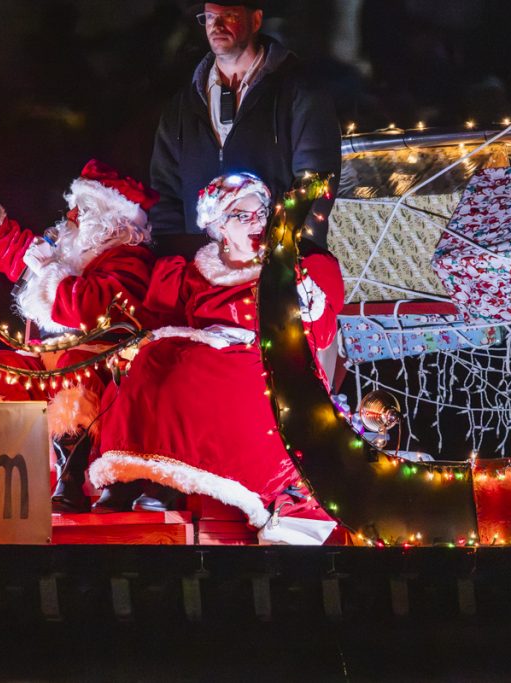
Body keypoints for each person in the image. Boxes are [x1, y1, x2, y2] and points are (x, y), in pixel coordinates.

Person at [89, 172, 345, 544]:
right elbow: (159, 325)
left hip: (265, 369)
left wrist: (303, 291)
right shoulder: (190, 273)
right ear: (220, 225)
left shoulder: (295, 269)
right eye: (243, 216)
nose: (257, 223)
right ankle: (145, 477)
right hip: (201, 356)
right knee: (150, 360)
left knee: (215, 368)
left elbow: (320, 336)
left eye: (262, 213)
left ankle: (197, 481)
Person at [0, 153, 158, 512]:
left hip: (101, 371)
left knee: (75, 365)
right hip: (47, 365)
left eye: (81, 210)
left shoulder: (130, 261)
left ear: (111, 221)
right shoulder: (68, 251)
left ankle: (71, 476)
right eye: (73, 207)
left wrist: (50, 271)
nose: (70, 216)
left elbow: (92, 307)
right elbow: (12, 248)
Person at [149, 1, 341, 248]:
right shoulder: (182, 107)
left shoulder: (299, 93)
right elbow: (165, 194)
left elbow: (313, 183)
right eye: (209, 17)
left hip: (274, 265)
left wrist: (280, 261)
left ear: (256, 20)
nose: (216, 26)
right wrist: (175, 259)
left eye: (228, 16)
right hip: (203, 274)